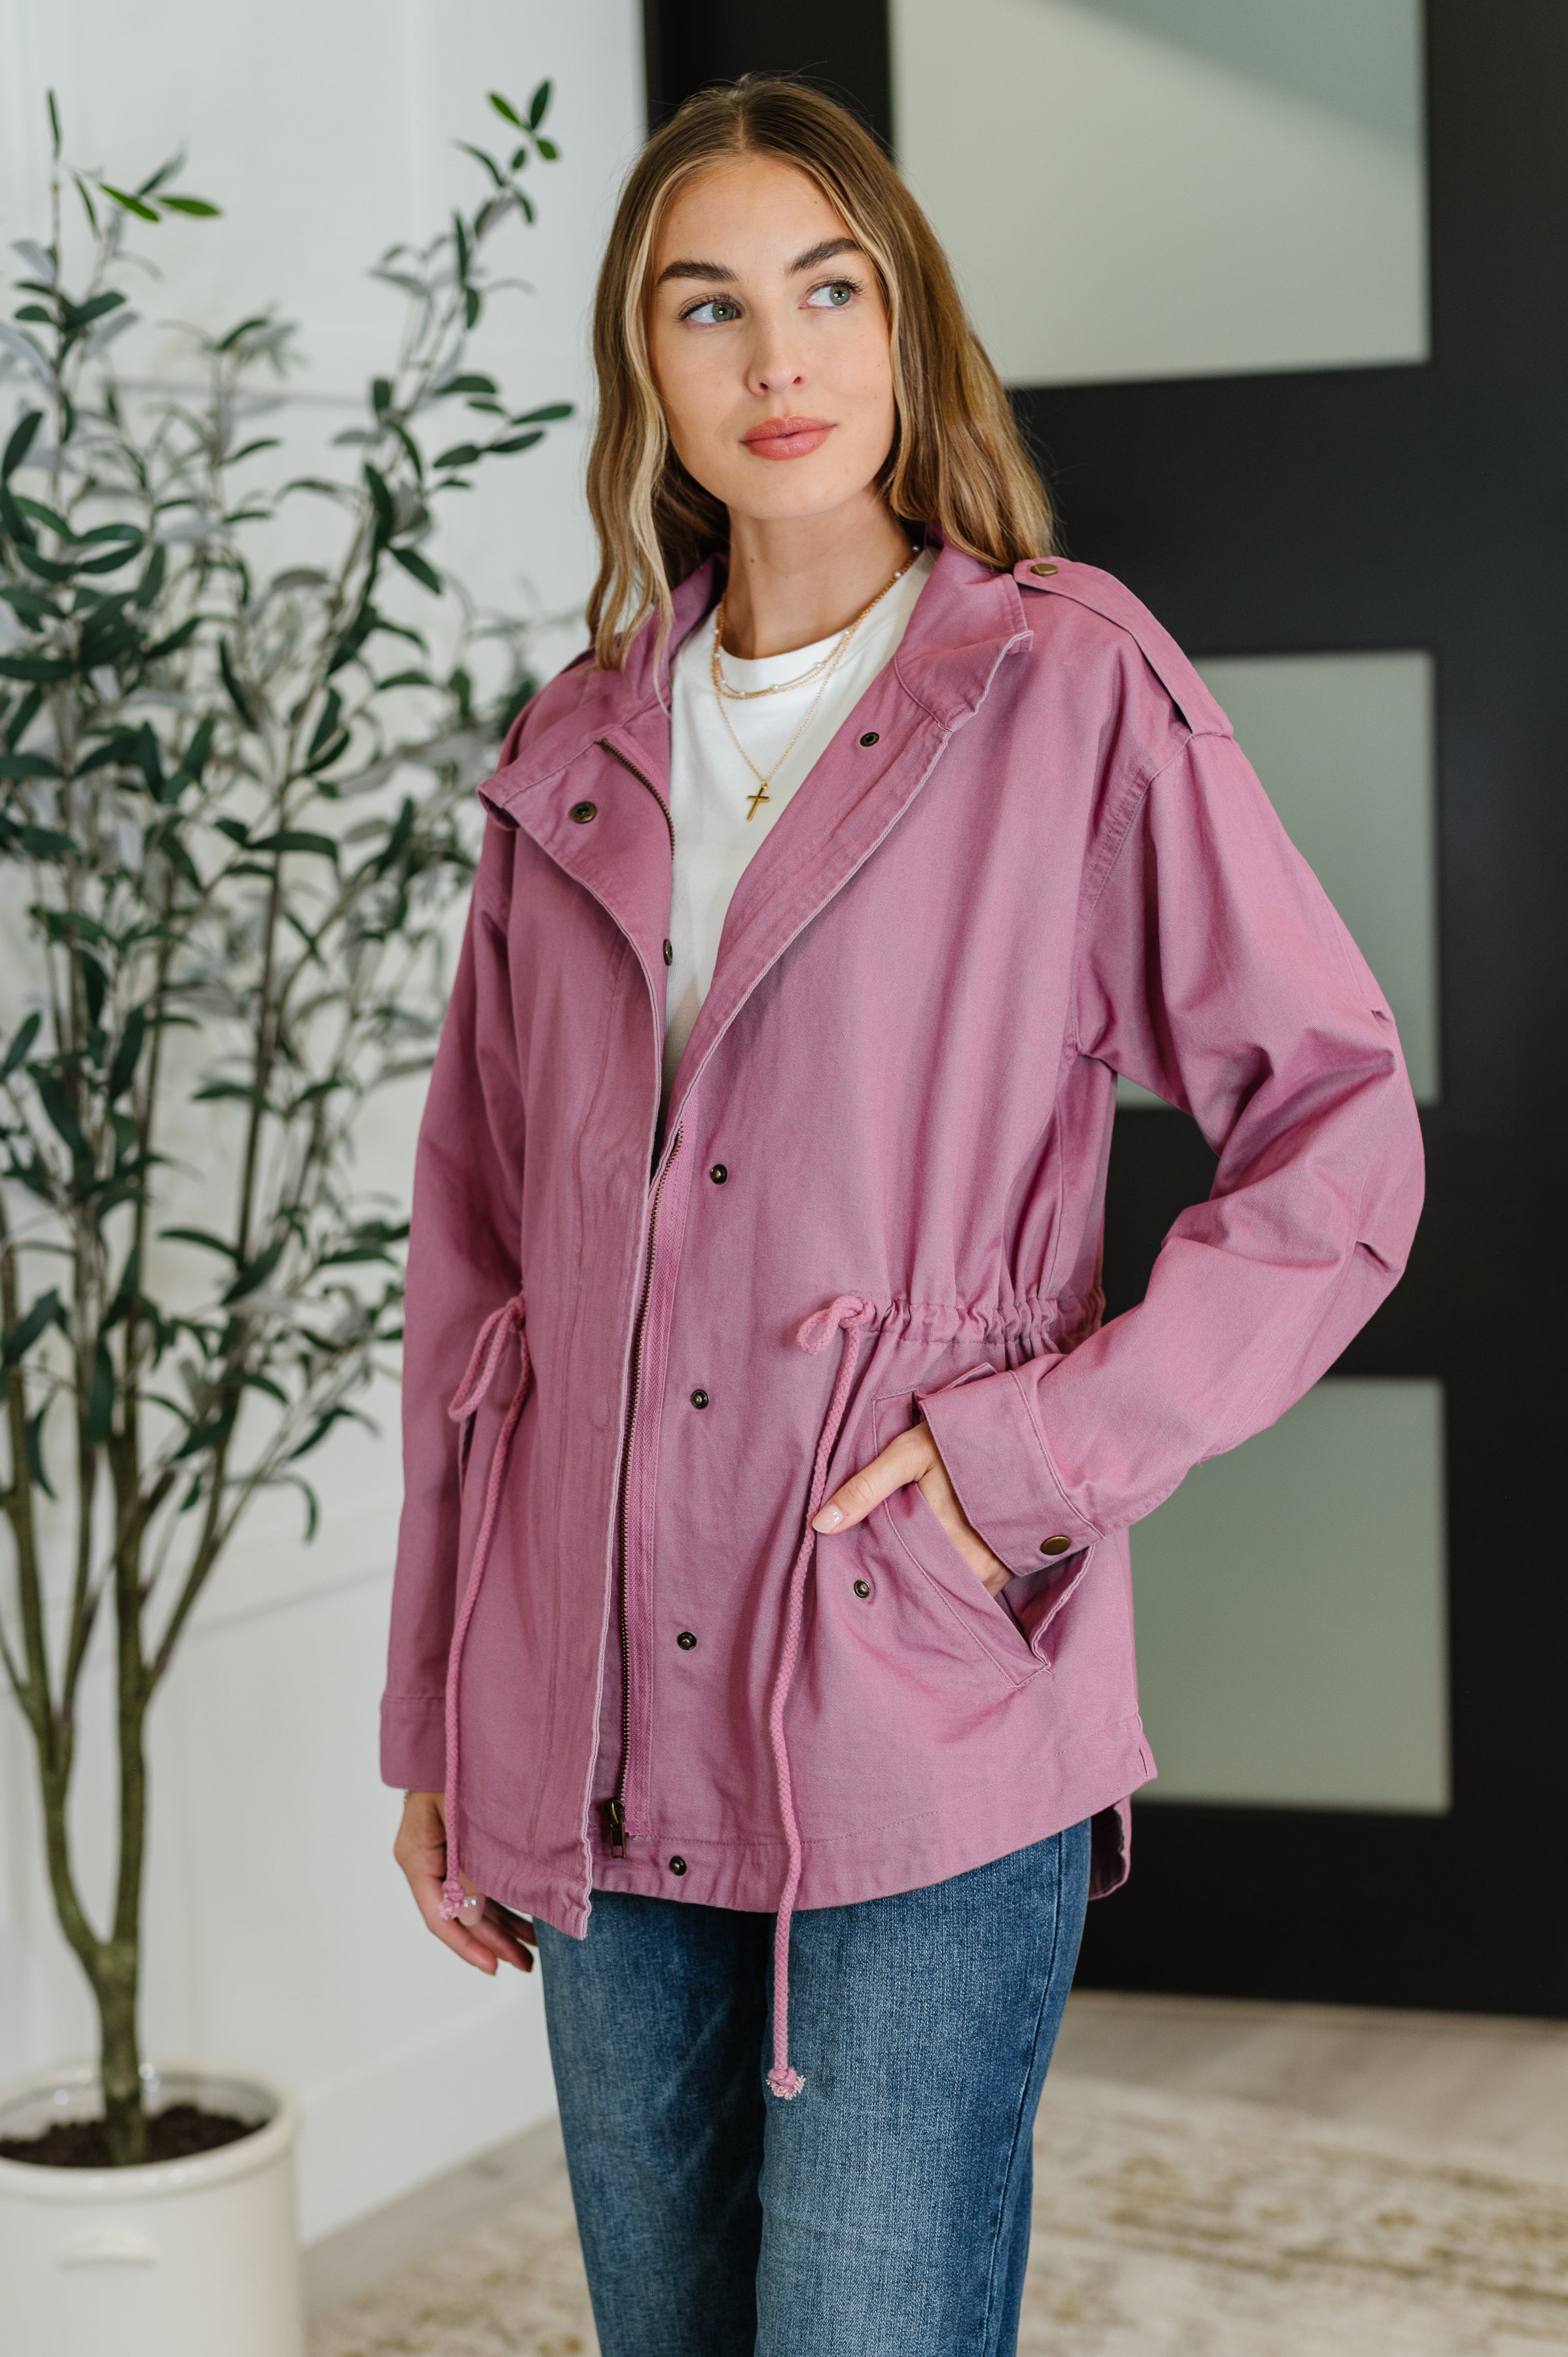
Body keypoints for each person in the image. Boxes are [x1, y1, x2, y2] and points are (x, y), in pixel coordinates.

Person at [383, 74, 1423, 2357]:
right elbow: (473, 1260)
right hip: (583, 1722)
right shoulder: (568, 750)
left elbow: (1338, 1140)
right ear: (642, 370)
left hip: (906, 1710)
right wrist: (437, 1713)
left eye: (829, 291)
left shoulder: (1061, 689)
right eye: (711, 306)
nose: (779, 361)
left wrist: (1020, 1463)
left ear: (905, 329)